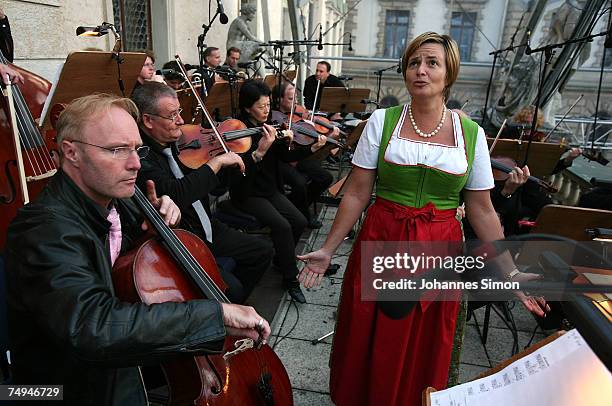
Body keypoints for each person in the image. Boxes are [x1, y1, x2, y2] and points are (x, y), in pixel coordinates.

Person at [297, 32, 548, 405]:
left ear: (449, 73)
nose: (421, 70)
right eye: (414, 62)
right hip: (383, 238)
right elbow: (357, 192)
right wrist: (328, 249)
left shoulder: (471, 134)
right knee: (372, 334)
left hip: (440, 248)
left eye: (432, 63)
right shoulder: (382, 122)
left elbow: (481, 209)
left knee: (424, 341)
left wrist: (509, 271)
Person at [4, 93, 271, 404]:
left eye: (136, 149)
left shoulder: (118, 200)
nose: (134, 164)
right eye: (117, 150)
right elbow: (93, 326)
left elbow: (121, 264)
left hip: (116, 366)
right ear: (71, 152)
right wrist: (215, 315)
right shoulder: (42, 229)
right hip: (56, 390)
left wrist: (153, 222)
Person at [132, 82, 273, 304]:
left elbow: (217, 187)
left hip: (206, 224)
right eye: (172, 115)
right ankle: (223, 312)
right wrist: (215, 163)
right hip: (184, 236)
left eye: (179, 111)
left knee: (262, 251)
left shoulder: (184, 141)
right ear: (148, 120)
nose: (180, 121)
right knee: (231, 289)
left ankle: (232, 307)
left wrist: (254, 155)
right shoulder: (141, 158)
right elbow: (176, 193)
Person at [230, 80, 327, 303]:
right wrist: (261, 150)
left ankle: (281, 260)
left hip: (269, 189)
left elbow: (286, 158)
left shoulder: (271, 126)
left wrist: (309, 148)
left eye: (268, 105)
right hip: (248, 192)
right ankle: (290, 278)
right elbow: (239, 173)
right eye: (261, 106)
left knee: (300, 221)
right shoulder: (240, 131)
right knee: (282, 226)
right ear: (247, 108)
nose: (266, 110)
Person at [273, 81, 334, 229]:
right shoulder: (274, 117)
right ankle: (303, 215)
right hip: (282, 159)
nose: (295, 103)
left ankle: (295, 206)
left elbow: (304, 140)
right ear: (278, 100)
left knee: (326, 178)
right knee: (299, 183)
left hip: (299, 154)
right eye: (290, 99)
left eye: (296, 98)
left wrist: (329, 136)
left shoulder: (296, 115)